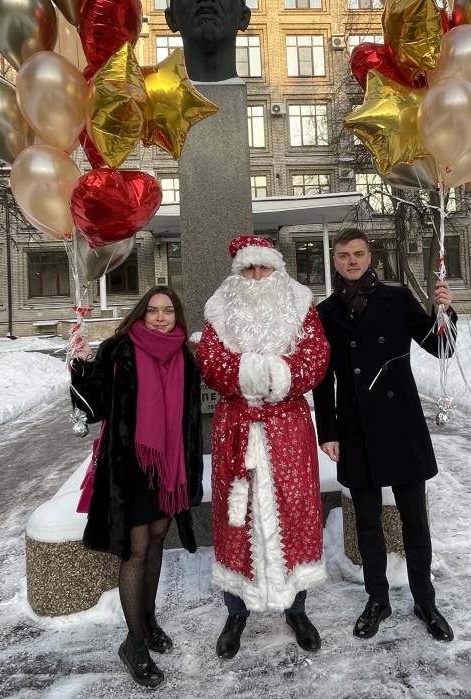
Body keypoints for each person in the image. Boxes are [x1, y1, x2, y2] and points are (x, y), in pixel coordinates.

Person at [313, 228, 457, 643]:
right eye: (343, 255)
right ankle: (377, 599)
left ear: (369, 256)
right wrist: (328, 430)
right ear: (335, 260)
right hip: (355, 427)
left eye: (358, 254)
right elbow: (323, 382)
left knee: (415, 521)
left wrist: (443, 312)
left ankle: (425, 600)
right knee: (368, 524)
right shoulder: (325, 313)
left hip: (400, 422)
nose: (352, 261)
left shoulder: (396, 299)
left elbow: (441, 348)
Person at [196, 235, 330, 659]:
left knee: (292, 512)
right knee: (237, 515)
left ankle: (297, 609)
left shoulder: (300, 306)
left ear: (277, 270)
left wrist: (275, 375)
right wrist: (253, 375)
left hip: (288, 431)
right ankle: (236, 611)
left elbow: (315, 357)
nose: (255, 277)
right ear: (238, 273)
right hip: (236, 427)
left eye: (263, 268)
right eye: (248, 269)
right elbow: (213, 362)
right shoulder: (220, 309)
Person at [70, 286, 204, 688]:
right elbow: (94, 407)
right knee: (136, 548)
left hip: (170, 466)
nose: (160, 318)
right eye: (152, 311)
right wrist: (80, 366)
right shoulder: (119, 350)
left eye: (167, 311)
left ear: (177, 315)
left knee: (159, 536)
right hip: (130, 468)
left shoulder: (185, 355)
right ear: (141, 314)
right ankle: (134, 643)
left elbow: (190, 417)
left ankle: (148, 620)